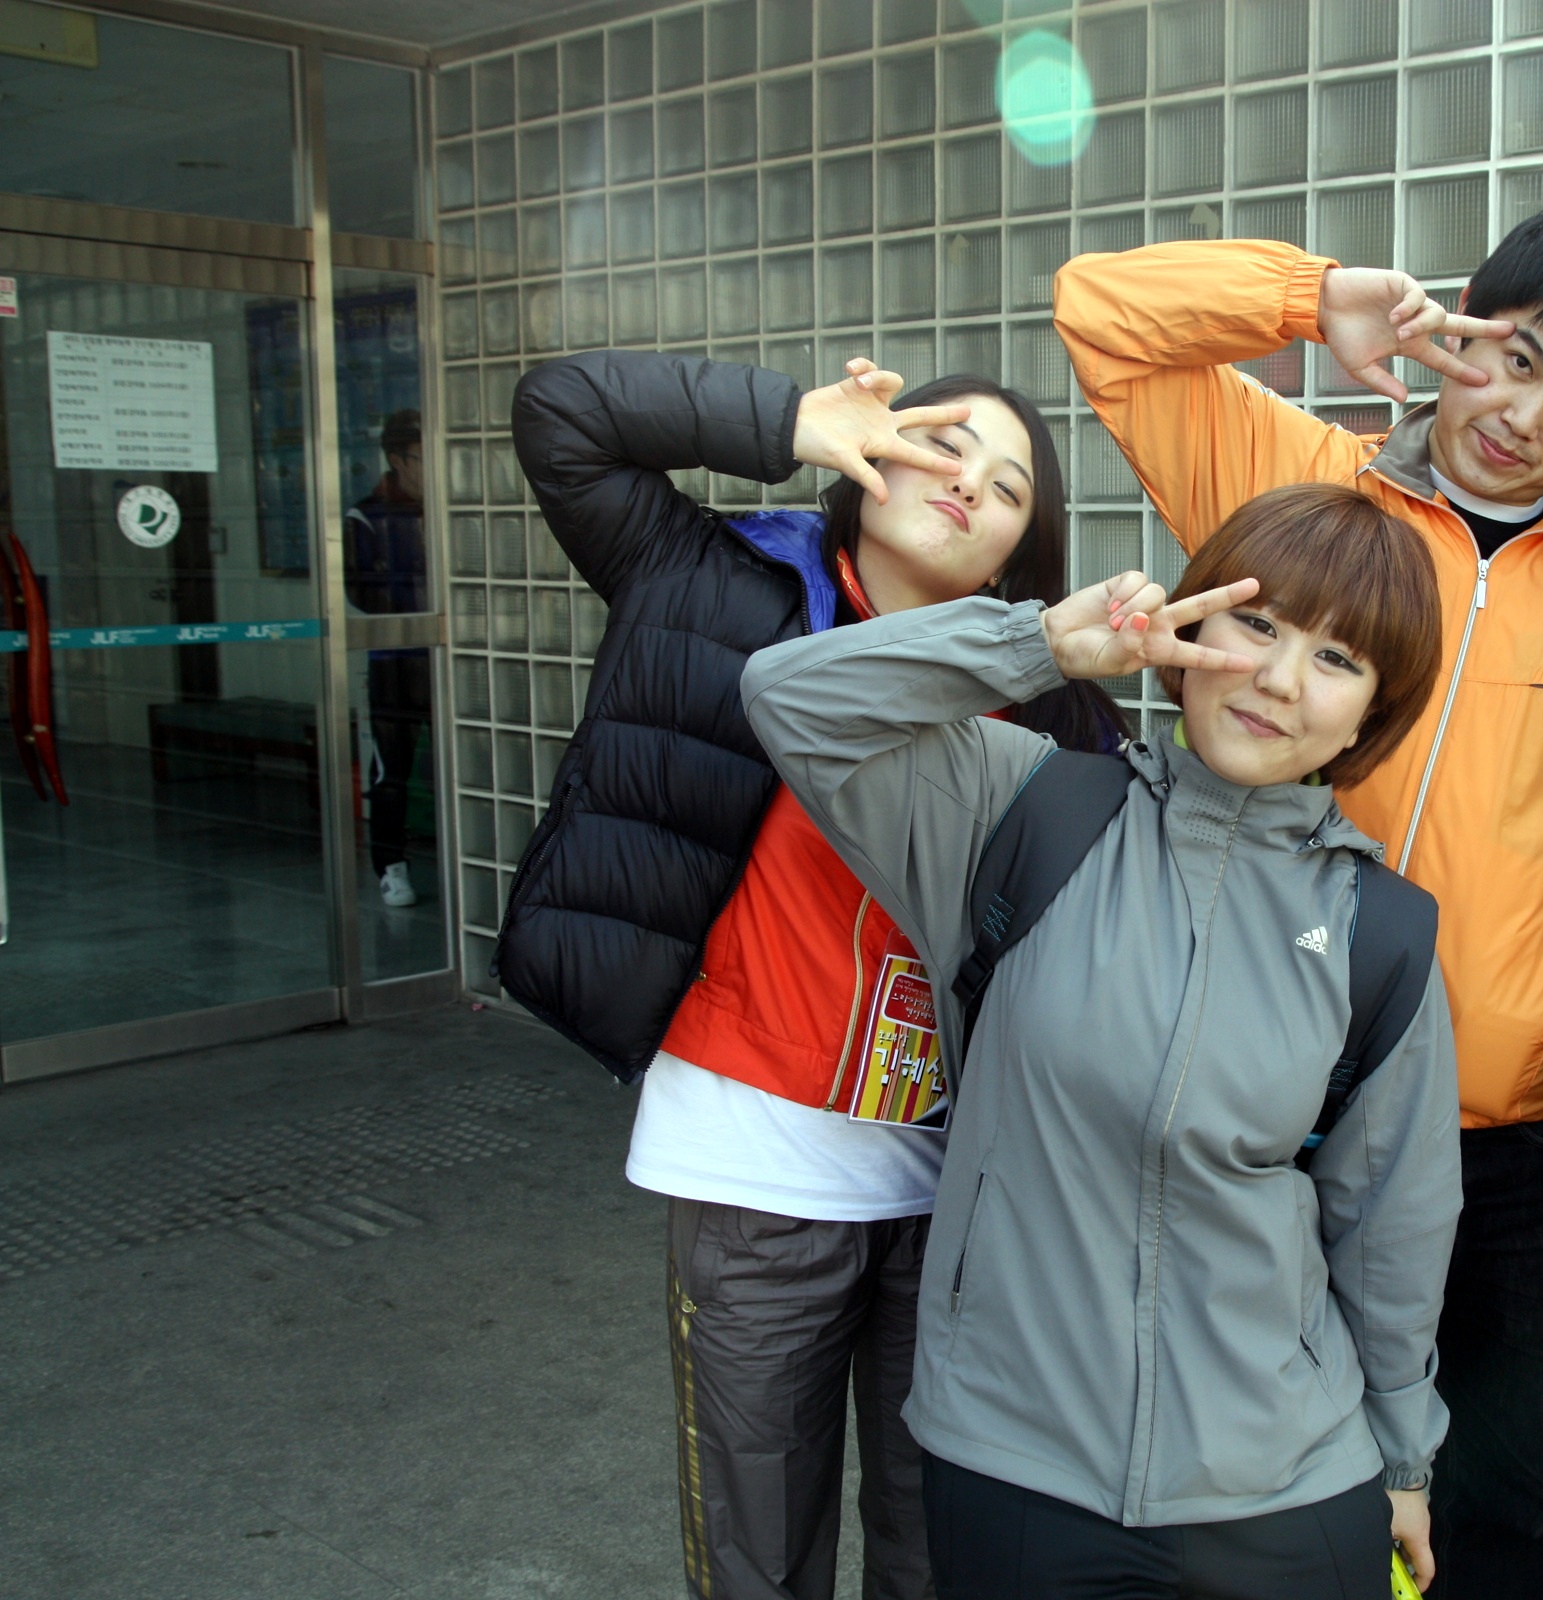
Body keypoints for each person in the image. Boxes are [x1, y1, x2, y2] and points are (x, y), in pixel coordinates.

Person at [1053, 205, 1543, 1596]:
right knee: (1250, 1479)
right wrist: (1315, 297)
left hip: (1510, 1131)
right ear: (1459, 323)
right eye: (1512, 358)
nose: (1522, 416)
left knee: (1495, 1497)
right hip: (1260, 1102)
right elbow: (1099, 313)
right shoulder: (1302, 486)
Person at [742, 480, 1462, 1600]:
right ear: (1189, 626)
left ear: (1373, 713)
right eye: (1257, 623)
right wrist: (1037, 647)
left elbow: (1394, 1228)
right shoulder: (1028, 810)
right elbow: (789, 697)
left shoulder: (1384, 933)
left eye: (1338, 659)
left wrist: (1405, 1460)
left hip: (1286, 1480)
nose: (1279, 679)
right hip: (1016, 1462)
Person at [501, 349, 1124, 1600]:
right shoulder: (708, 580)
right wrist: (786, 418)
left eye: (1008, 489)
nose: (969, 485)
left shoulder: (1050, 699)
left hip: (953, 1189)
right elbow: (560, 412)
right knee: (760, 1554)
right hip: (756, 1161)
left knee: (935, 1547)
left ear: (1016, 554)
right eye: (943, 444)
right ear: (871, 451)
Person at [344, 408, 430, 908]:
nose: (432, 466)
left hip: (449, 659)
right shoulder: (365, 516)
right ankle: (391, 867)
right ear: (397, 460)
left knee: (470, 759)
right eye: (422, 456)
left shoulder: (452, 507)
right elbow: (360, 591)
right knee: (390, 770)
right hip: (394, 663)